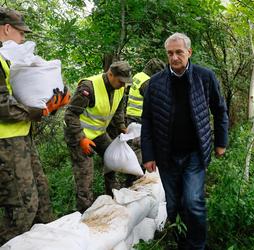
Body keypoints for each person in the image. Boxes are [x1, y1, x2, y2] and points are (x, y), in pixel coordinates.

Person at [141, 32, 229, 250]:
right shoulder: (155, 84)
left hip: (195, 153)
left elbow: (219, 110)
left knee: (193, 202)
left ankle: (197, 245)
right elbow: (147, 121)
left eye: (179, 52)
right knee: (173, 206)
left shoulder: (205, 77)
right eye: (170, 53)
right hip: (166, 155)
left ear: (189, 52)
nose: (174, 57)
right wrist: (149, 155)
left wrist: (221, 141)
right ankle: (183, 244)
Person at [0, 8, 70, 245]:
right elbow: (3, 106)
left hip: (20, 140)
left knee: (42, 200)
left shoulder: (7, 59)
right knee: (22, 209)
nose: (23, 38)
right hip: (5, 146)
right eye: (21, 33)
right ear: (7, 28)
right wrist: (40, 111)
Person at [64, 61, 132, 213]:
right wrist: (81, 138)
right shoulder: (89, 87)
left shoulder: (120, 88)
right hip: (78, 135)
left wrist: (121, 126)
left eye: (125, 82)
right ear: (110, 74)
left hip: (98, 134)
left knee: (112, 158)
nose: (123, 85)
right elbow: (70, 115)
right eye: (121, 81)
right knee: (85, 173)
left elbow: (119, 108)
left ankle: (113, 194)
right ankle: (84, 210)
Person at [124, 58, 165, 186]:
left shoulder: (138, 76)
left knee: (134, 151)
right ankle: (135, 184)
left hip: (131, 119)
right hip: (139, 121)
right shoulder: (147, 83)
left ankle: (131, 182)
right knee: (140, 153)